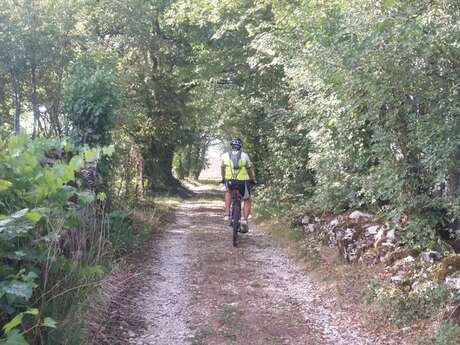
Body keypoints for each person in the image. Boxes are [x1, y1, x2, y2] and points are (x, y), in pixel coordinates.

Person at [221, 138, 256, 232]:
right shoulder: (245, 155)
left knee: (228, 192)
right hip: (243, 182)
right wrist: (252, 179)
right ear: (240, 146)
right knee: (247, 199)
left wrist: (223, 178)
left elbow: (222, 169)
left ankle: (227, 214)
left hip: (230, 181)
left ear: (231, 146)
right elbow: (249, 169)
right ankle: (244, 220)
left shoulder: (224, 156)